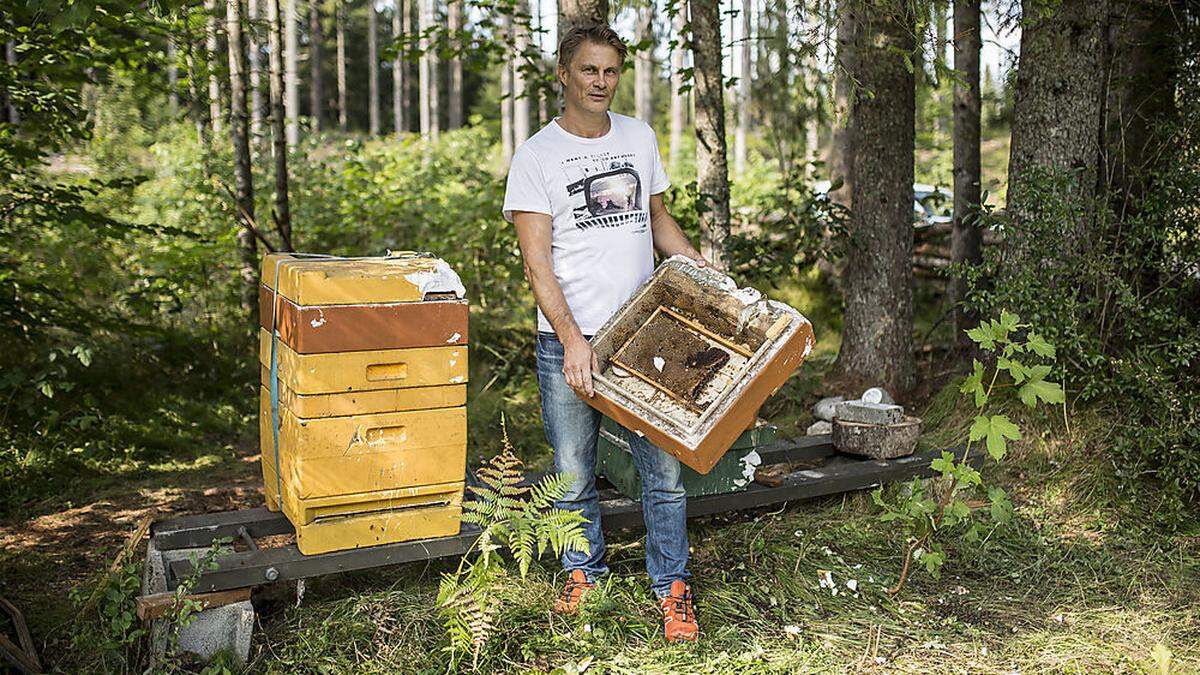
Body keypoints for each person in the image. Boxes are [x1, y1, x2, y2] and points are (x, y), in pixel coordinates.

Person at [502, 24, 708, 643]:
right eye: (589, 70)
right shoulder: (538, 156)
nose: (600, 82)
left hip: (646, 335)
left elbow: (657, 219)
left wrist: (701, 268)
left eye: (610, 71)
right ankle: (583, 575)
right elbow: (537, 261)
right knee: (572, 470)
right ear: (564, 73)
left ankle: (673, 590)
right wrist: (570, 339)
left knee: (664, 475)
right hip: (572, 338)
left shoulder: (639, 137)